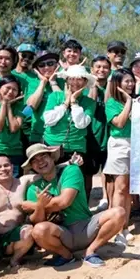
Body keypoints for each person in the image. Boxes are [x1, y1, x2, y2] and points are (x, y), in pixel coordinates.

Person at [22, 144, 126, 267]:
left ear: (52, 158)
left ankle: (90, 251)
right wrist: (39, 206)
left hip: (85, 226)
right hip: (61, 233)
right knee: (38, 230)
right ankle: (66, 255)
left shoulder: (71, 170)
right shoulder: (33, 188)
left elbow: (64, 202)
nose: (40, 162)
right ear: (32, 166)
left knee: (119, 213)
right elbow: (37, 220)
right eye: (34, 160)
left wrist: (35, 205)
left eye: (43, 156)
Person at [42, 65, 98, 196]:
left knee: (74, 185)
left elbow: (81, 124)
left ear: (85, 82)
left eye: (80, 79)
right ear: (66, 80)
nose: (75, 83)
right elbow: (48, 120)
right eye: (72, 79)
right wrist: (65, 103)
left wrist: (74, 103)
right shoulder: (55, 96)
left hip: (76, 148)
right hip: (52, 147)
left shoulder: (89, 102)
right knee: (52, 184)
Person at [104, 68, 135, 245]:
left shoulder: (138, 100)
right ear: (117, 84)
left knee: (129, 188)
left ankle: (125, 225)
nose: (130, 84)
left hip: (135, 144)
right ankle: (117, 228)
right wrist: (129, 102)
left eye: (131, 81)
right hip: (119, 145)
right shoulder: (112, 103)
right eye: (126, 81)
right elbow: (120, 122)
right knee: (120, 187)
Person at [24, 51, 62, 145]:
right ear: (36, 69)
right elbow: (30, 108)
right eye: (41, 65)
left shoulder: (63, 81)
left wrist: (53, 82)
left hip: (59, 135)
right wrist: (43, 82)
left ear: (56, 65)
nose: (46, 67)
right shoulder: (33, 83)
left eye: (50, 63)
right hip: (38, 136)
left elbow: (64, 103)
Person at [89, 55, 111, 211]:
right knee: (88, 172)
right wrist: (94, 84)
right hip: (91, 136)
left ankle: (106, 199)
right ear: (92, 69)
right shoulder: (87, 86)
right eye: (98, 67)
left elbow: (109, 103)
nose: (101, 70)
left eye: (105, 67)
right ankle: (86, 203)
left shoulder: (112, 86)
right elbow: (90, 104)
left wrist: (109, 83)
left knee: (108, 171)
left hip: (108, 135)